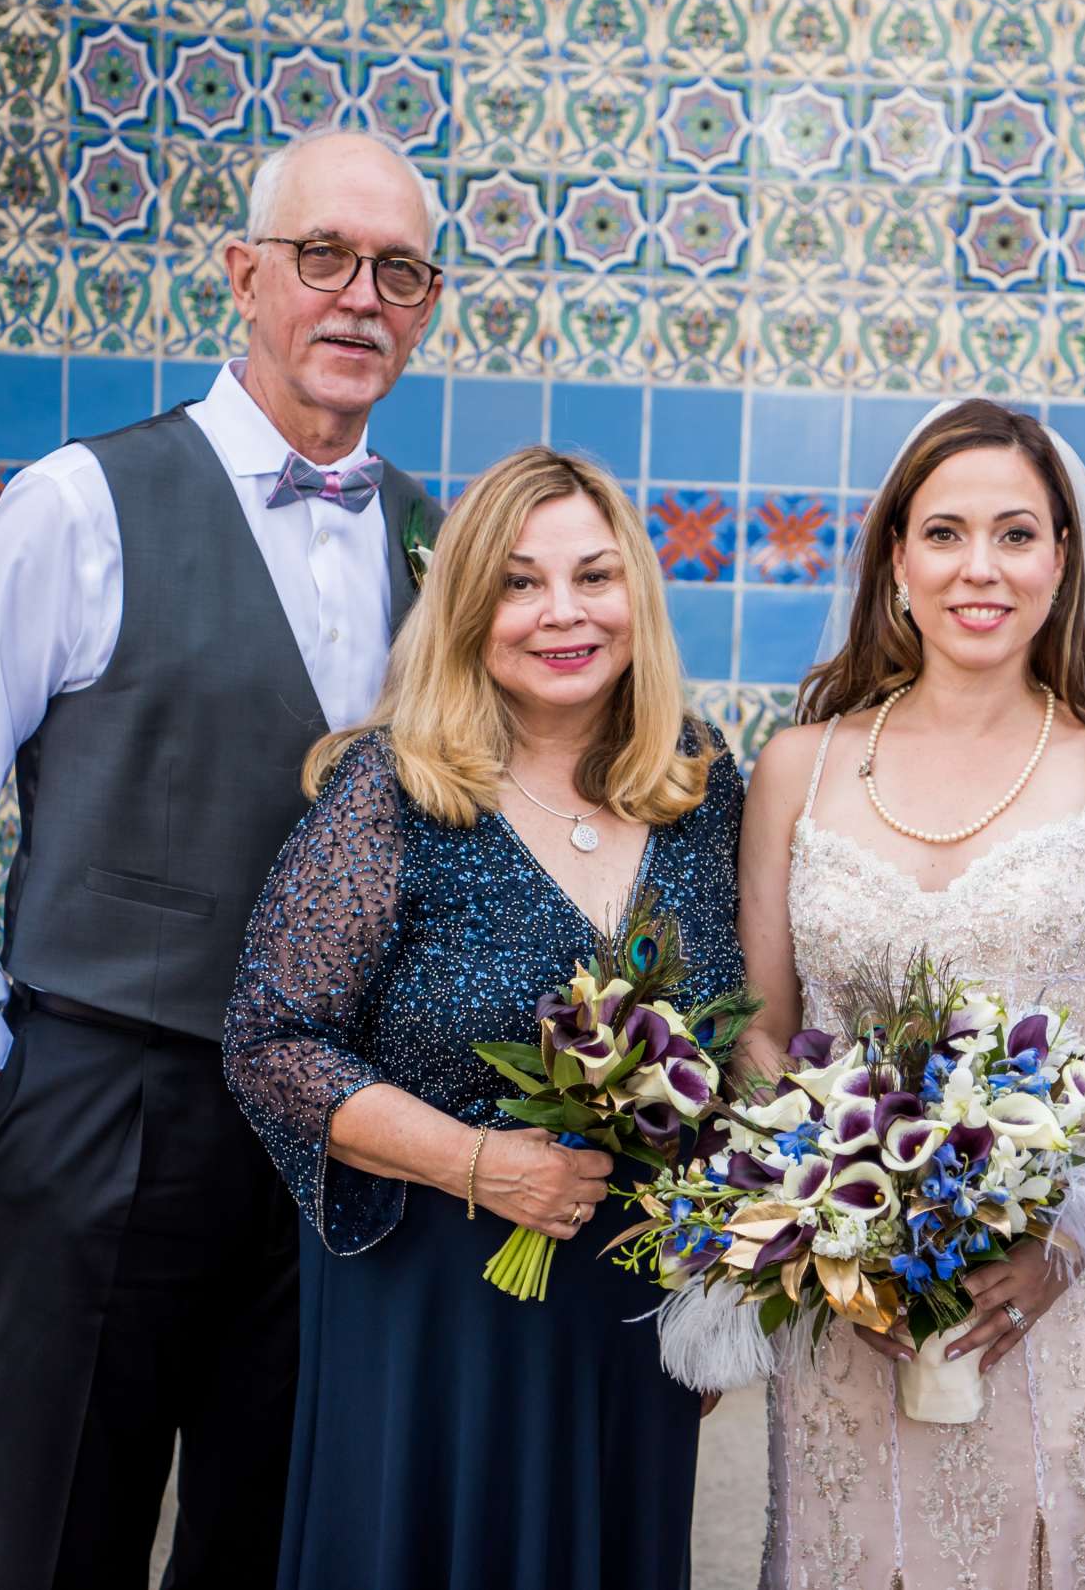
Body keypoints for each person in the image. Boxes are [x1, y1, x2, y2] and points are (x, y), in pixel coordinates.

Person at [0, 127, 444, 1587]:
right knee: (65, 1531)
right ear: (245, 273)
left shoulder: (445, 545)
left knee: (273, 1535)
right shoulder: (77, 503)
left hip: (332, 1138)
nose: (359, 297)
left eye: (399, 271)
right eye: (324, 257)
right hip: (103, 1102)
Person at [222, 444, 740, 1590]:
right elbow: (268, 1043)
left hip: (629, 1306)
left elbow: (736, 1044)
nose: (564, 613)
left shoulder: (703, 785)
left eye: (595, 578)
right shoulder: (393, 792)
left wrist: (719, 1274)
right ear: (465, 608)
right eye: (519, 582)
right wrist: (478, 1165)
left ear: (637, 598)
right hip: (434, 1304)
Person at [739, 399, 1085, 1588]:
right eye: (943, 534)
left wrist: (1070, 1233)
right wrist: (835, 1225)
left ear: (1062, 560)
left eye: (1015, 535)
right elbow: (762, 1028)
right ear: (897, 559)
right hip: (853, 1308)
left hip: (1067, 1294)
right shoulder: (801, 765)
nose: (978, 569)